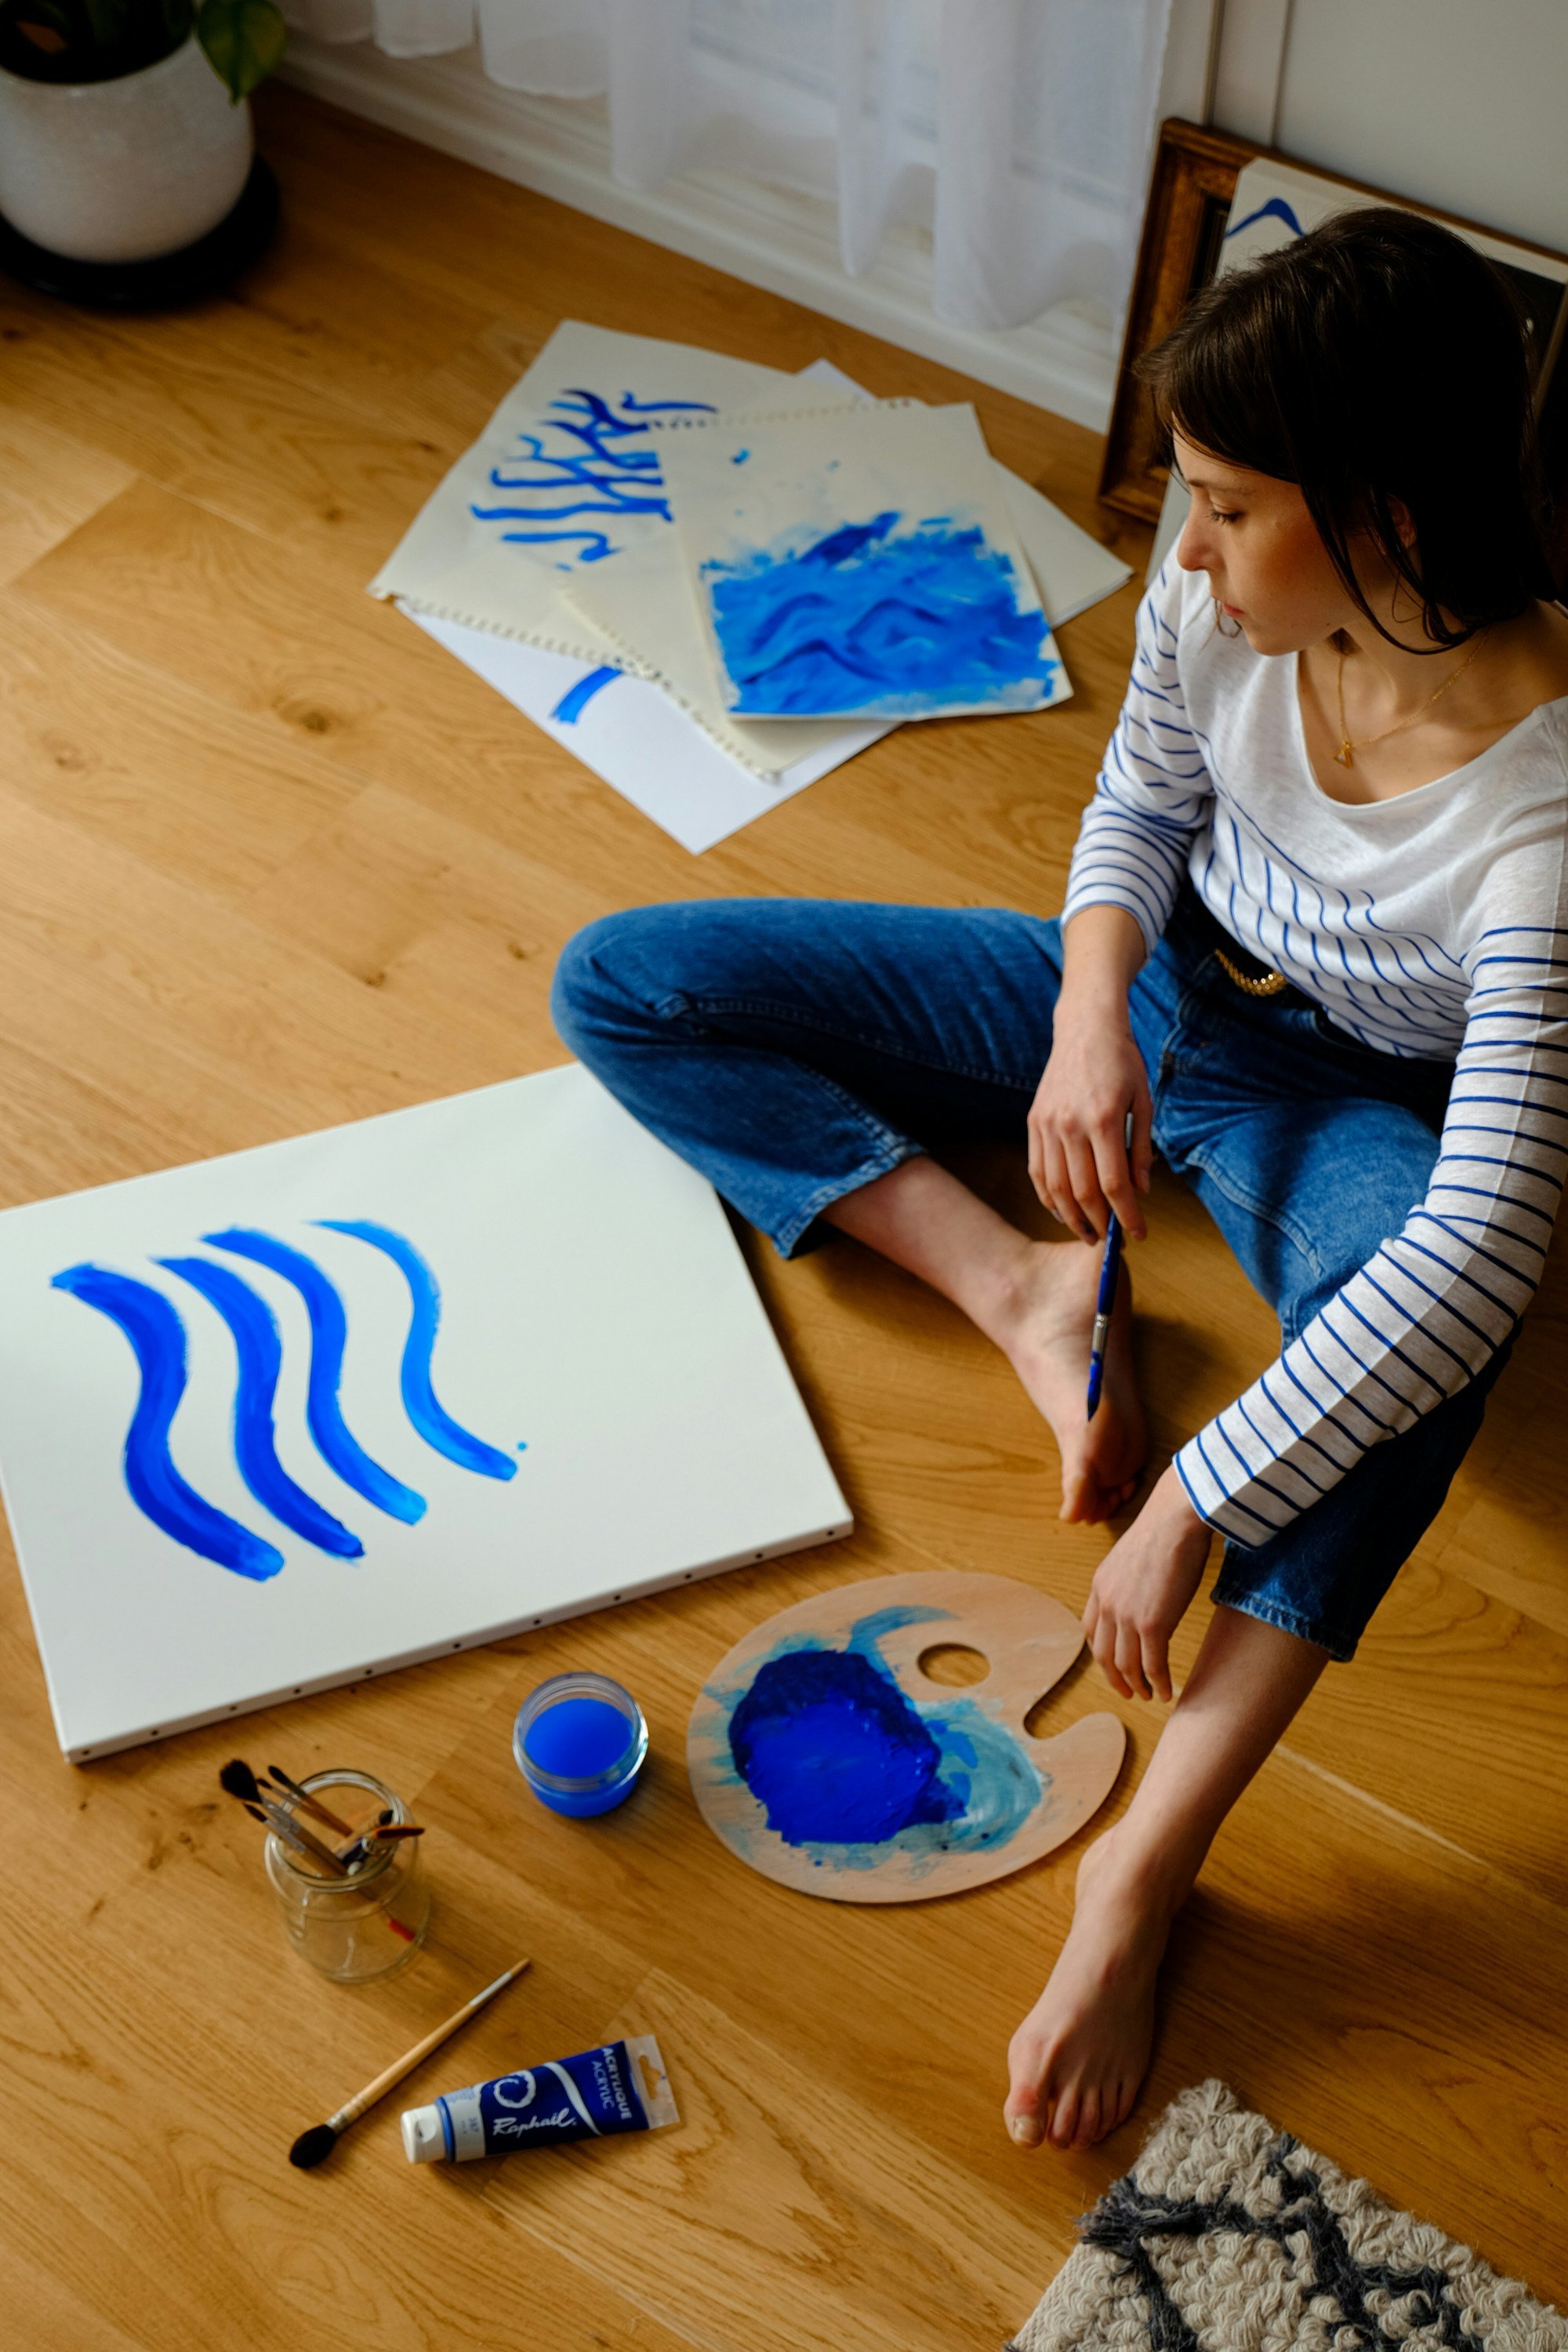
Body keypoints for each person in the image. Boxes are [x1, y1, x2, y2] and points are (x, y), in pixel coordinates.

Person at [550, 207, 1568, 2151]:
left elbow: (1488, 1235)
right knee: (631, 983)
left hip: (1334, 1107)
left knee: (1414, 1342)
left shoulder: (1540, 816)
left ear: (1389, 513)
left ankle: (1145, 1862)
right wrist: (1090, 1009)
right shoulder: (1222, 602)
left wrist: (1198, 1494)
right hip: (1163, 1002)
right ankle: (1013, 1286)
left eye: (1228, 508)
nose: (1179, 553)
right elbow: (1137, 804)